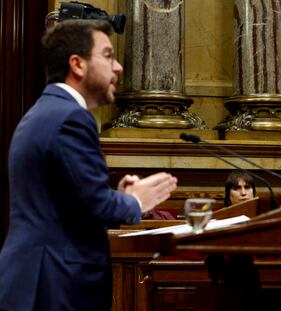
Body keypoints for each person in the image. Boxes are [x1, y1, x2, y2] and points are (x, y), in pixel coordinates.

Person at [0, 19, 177, 311]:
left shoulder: (43, 112)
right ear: (77, 65)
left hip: (35, 281)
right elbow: (96, 204)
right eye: (108, 56)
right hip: (55, 285)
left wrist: (118, 198)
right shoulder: (71, 118)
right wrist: (134, 203)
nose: (118, 67)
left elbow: (72, 203)